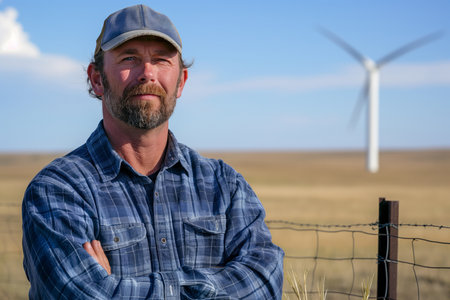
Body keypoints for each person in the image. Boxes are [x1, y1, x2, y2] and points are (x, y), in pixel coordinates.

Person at [22, 4, 284, 299]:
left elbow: (265, 281)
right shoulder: (58, 190)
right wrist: (215, 286)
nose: (147, 73)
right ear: (97, 79)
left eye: (161, 60)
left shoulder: (224, 185)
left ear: (181, 81)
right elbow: (79, 293)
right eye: (129, 58)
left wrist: (117, 289)